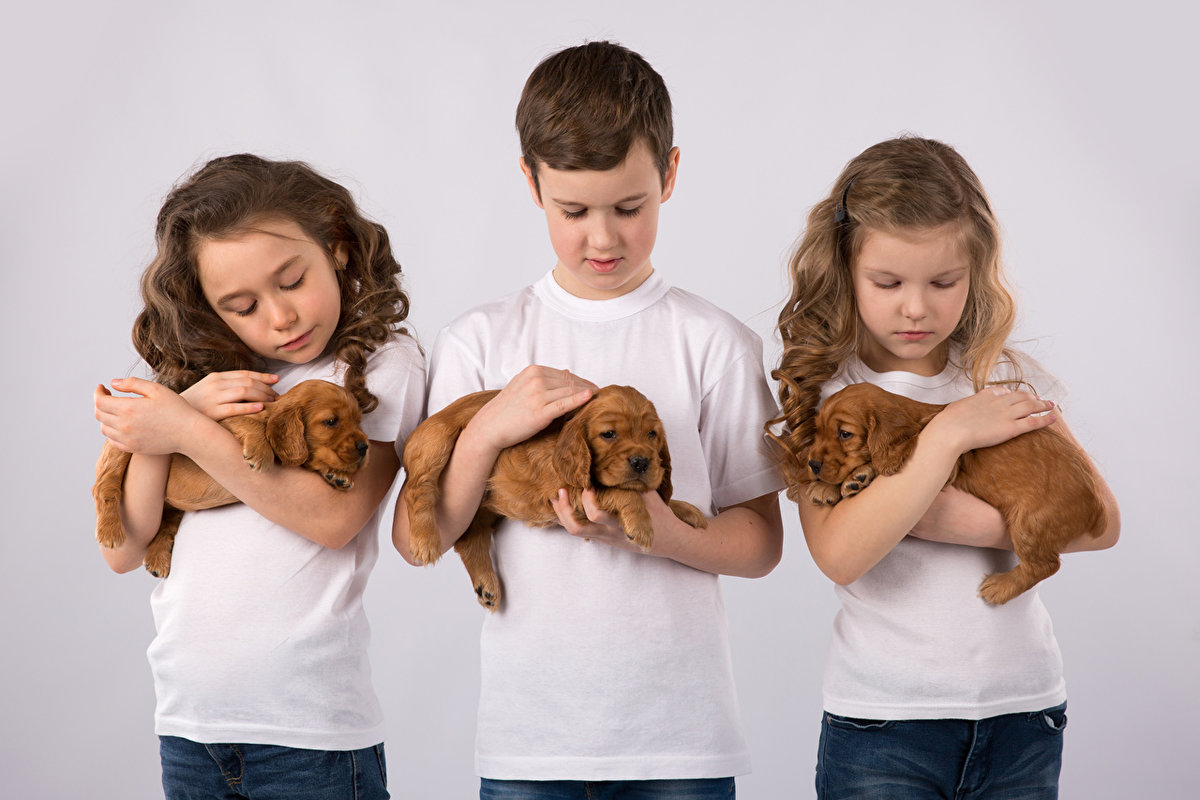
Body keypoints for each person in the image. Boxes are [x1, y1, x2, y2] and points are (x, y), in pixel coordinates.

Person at [391, 41, 784, 799]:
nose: (602, 238)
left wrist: (654, 532)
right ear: (531, 183)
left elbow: (763, 543)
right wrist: (490, 427)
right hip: (530, 742)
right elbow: (419, 539)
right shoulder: (479, 340)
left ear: (670, 175)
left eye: (629, 208)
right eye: (573, 211)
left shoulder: (716, 343)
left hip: (680, 745)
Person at [770, 135, 1121, 799]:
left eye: (943, 282)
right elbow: (842, 554)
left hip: (1025, 712)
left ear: (976, 272)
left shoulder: (995, 382)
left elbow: (1102, 524)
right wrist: (948, 436)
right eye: (888, 282)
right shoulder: (823, 395)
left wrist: (948, 520)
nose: (916, 307)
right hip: (886, 726)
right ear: (844, 270)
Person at [93, 154, 425, 800]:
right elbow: (123, 548)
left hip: (310, 734)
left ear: (337, 246)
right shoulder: (206, 385)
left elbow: (332, 519)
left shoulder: (378, 365)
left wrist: (187, 431)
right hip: (190, 722)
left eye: (292, 280)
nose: (280, 318)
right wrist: (171, 421)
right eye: (241, 305)